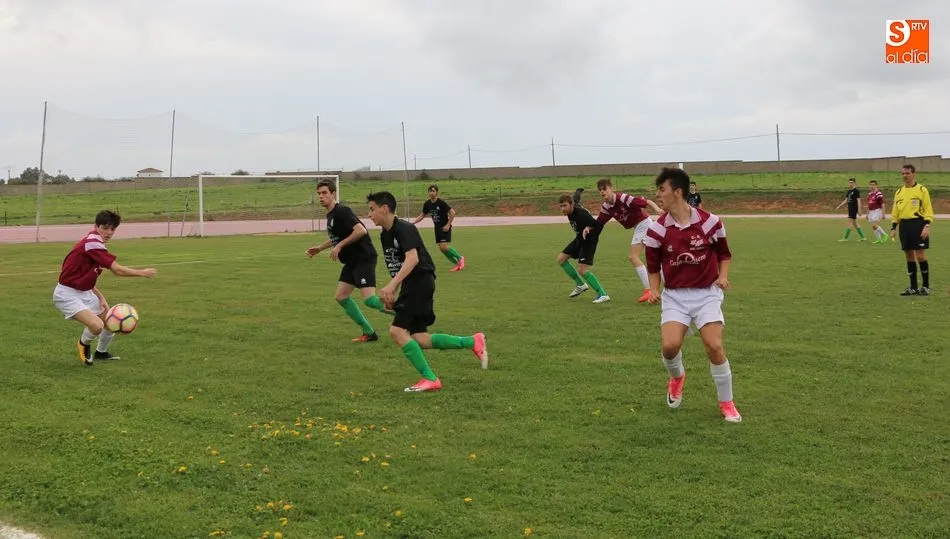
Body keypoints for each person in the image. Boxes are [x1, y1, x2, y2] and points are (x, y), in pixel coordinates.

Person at [643, 167, 741, 423]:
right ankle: (677, 377)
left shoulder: (711, 222)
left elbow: (724, 254)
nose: (658, 195)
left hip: (707, 294)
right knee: (669, 346)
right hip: (675, 296)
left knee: (715, 346)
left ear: (678, 192)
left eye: (662, 190)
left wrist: (723, 275)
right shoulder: (657, 230)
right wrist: (654, 289)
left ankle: (727, 403)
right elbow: (653, 267)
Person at [366, 191, 489, 392]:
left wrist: (390, 286)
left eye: (372, 209)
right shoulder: (385, 235)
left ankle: (430, 379)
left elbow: (413, 259)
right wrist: (394, 288)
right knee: (420, 338)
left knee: (397, 332)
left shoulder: (404, 229)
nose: (369, 214)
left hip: (420, 281)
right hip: (412, 284)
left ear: (384, 208)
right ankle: (472, 341)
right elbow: (399, 265)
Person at [52, 210, 157, 366]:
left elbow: (87, 278)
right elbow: (117, 270)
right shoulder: (93, 242)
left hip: (85, 292)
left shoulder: (96, 244)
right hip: (67, 294)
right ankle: (84, 343)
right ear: (96, 226)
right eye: (105, 228)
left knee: (110, 322)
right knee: (97, 326)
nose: (109, 232)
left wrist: (100, 297)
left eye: (112, 229)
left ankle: (101, 352)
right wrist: (142, 273)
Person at [306, 179, 391, 342]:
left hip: (363, 257)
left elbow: (361, 231)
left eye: (324, 193)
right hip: (351, 261)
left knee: (370, 300)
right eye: (319, 194)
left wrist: (339, 247)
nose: (321, 197)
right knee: (341, 296)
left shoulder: (342, 211)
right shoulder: (331, 215)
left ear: (333, 193)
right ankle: (369, 333)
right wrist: (319, 248)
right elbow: (337, 238)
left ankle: (407, 313)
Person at [594, 178, 663, 303]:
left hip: (644, 224)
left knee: (633, 256)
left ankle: (649, 290)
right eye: (600, 190)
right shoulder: (606, 207)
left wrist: (657, 209)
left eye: (604, 189)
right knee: (655, 258)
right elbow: (599, 222)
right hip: (639, 227)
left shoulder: (623, 198)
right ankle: (669, 286)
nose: (602, 192)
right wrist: (589, 227)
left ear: (611, 189)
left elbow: (646, 202)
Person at [557, 189, 610, 304]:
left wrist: (589, 228)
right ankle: (580, 284)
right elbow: (575, 197)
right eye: (560, 206)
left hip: (589, 241)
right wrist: (578, 191)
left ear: (571, 205)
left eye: (564, 206)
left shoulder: (580, 214)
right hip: (579, 239)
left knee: (582, 270)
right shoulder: (572, 204)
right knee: (561, 259)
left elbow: (598, 225)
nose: (562, 209)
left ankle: (603, 294)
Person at [888, 164, 933, 296]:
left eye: (907, 173)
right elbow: (895, 211)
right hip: (904, 226)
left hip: (918, 224)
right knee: (908, 255)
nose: (904, 176)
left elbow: (928, 209)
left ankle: (925, 287)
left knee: (920, 255)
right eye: (902, 173)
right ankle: (913, 287)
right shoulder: (899, 192)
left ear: (913, 174)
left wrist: (927, 226)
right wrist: (893, 227)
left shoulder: (921, 190)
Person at [412, 185, 465, 271]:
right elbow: (422, 215)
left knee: (444, 247)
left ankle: (460, 258)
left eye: (433, 191)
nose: (431, 193)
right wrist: (413, 222)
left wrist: (448, 225)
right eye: (430, 191)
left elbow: (452, 212)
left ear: (437, 192)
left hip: (444, 227)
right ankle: (457, 264)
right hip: (437, 228)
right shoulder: (427, 204)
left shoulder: (441, 203)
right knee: (442, 249)